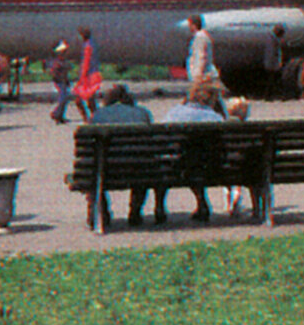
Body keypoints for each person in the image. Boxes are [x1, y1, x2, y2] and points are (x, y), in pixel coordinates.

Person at [90, 83, 160, 227]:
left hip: (107, 169)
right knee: (142, 161)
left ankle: (103, 212)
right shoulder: (142, 113)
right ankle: (135, 210)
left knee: (94, 168)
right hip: (138, 169)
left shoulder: (98, 115)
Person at [165, 80, 226, 222]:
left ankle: (160, 207)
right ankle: (201, 202)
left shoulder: (174, 113)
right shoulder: (215, 118)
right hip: (211, 167)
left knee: (184, 159)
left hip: (177, 167)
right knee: (197, 159)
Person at [72, 26, 103, 120]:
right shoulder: (92, 43)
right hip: (94, 74)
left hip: (88, 76)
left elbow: (86, 62)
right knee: (91, 99)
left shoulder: (87, 46)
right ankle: (95, 116)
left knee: (78, 99)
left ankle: (86, 117)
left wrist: (81, 77)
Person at [185, 15, 215, 86]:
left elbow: (199, 56)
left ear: (194, 25)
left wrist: (197, 75)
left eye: (190, 24)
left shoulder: (199, 37)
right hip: (206, 75)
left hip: (203, 76)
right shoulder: (203, 36)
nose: (189, 27)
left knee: (200, 95)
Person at [48, 41, 73, 124]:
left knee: (64, 99)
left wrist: (66, 80)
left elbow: (67, 70)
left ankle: (60, 115)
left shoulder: (63, 61)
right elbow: (55, 72)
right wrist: (59, 79)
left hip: (63, 81)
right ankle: (56, 114)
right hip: (60, 81)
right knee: (63, 99)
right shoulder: (57, 62)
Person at [261, 24, 286, 100]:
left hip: (271, 63)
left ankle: (269, 96)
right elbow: (272, 53)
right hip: (272, 64)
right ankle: (270, 96)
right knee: (273, 81)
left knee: (272, 81)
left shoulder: (271, 39)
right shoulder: (273, 40)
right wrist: (276, 64)